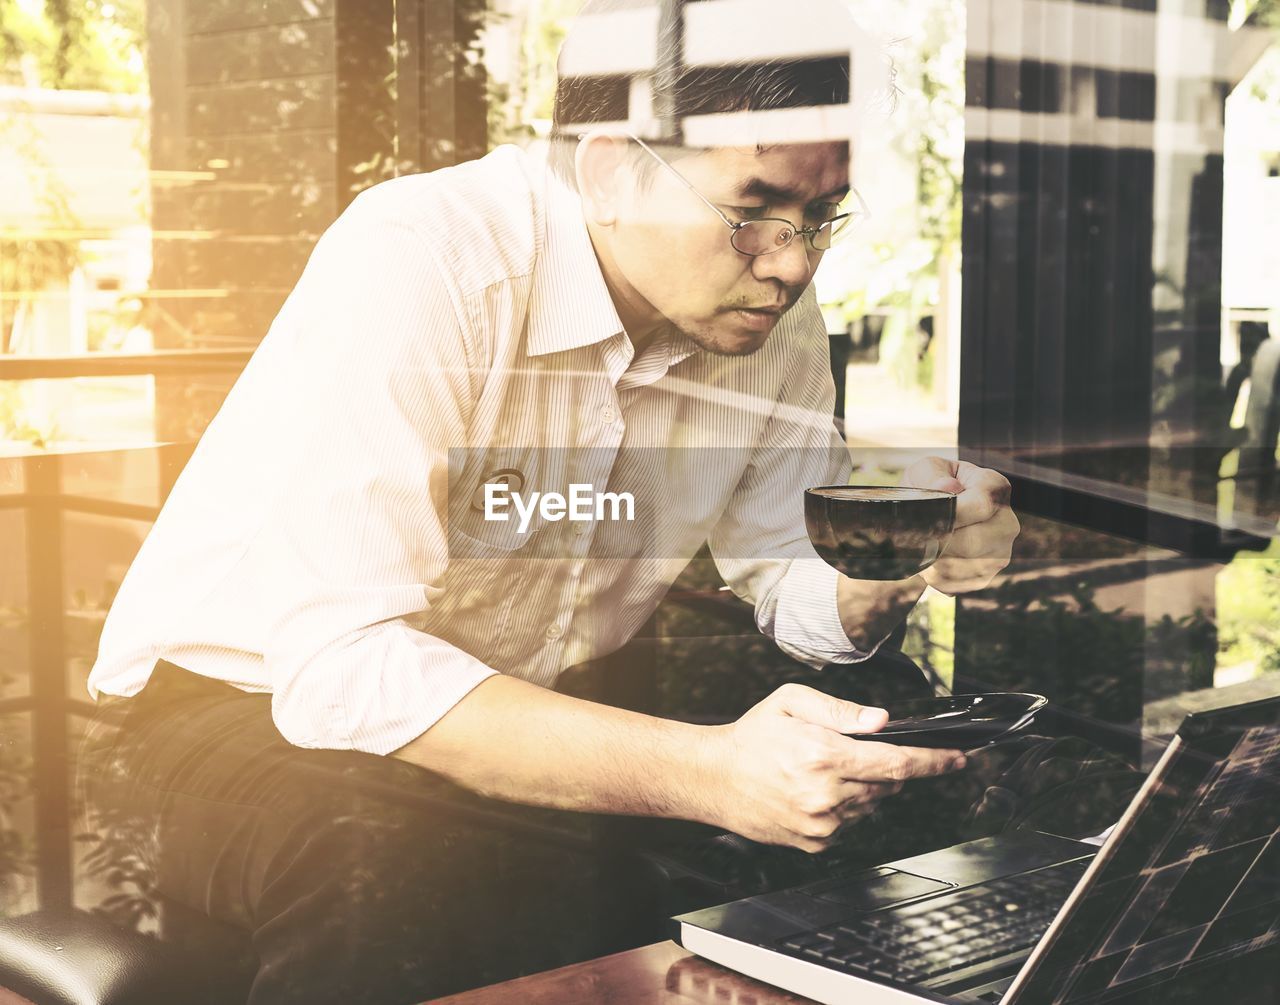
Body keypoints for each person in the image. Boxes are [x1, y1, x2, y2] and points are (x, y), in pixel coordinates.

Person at [82, 4, 1020, 1002]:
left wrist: (889, 553)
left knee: (646, 941)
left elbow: (791, 584)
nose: (791, 264)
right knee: (392, 876)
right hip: (235, 713)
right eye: (753, 210)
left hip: (510, 723)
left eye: (822, 217)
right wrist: (708, 771)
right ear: (611, 169)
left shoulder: (770, 324)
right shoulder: (429, 255)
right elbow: (342, 667)